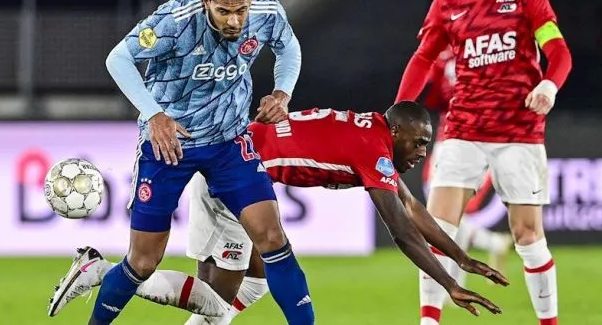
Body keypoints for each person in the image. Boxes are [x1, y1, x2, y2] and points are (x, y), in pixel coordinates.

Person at [51, 102, 507, 323]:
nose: (423, 152)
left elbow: (411, 206)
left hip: (238, 168)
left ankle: (109, 273)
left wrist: (462, 259)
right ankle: (100, 271)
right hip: (235, 176)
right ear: (399, 130)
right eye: (420, 141)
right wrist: (449, 283)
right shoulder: (377, 150)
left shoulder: (374, 135)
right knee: (217, 302)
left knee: (251, 287)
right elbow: (404, 232)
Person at [48, 0, 316, 325]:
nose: (234, 21)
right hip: (169, 146)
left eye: (240, 10)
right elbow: (119, 59)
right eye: (223, 11)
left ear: (249, 2)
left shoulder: (267, 13)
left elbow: (290, 48)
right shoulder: (175, 20)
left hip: (228, 144)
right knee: (143, 262)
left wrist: (283, 92)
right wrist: (154, 114)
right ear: (208, 3)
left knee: (272, 238)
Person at [394, 0, 572, 325]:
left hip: (519, 132)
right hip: (463, 129)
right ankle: (429, 321)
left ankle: (549, 322)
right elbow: (424, 59)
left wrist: (548, 84)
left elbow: (558, 51)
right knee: (438, 229)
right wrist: (399, 110)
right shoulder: (447, 4)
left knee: (528, 237)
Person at [422, 47, 513, 293]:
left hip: (463, 141)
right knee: (445, 215)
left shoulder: (457, 55)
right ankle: (488, 246)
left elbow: (434, 96)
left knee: (443, 214)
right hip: (464, 141)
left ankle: (457, 279)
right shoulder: (474, 51)